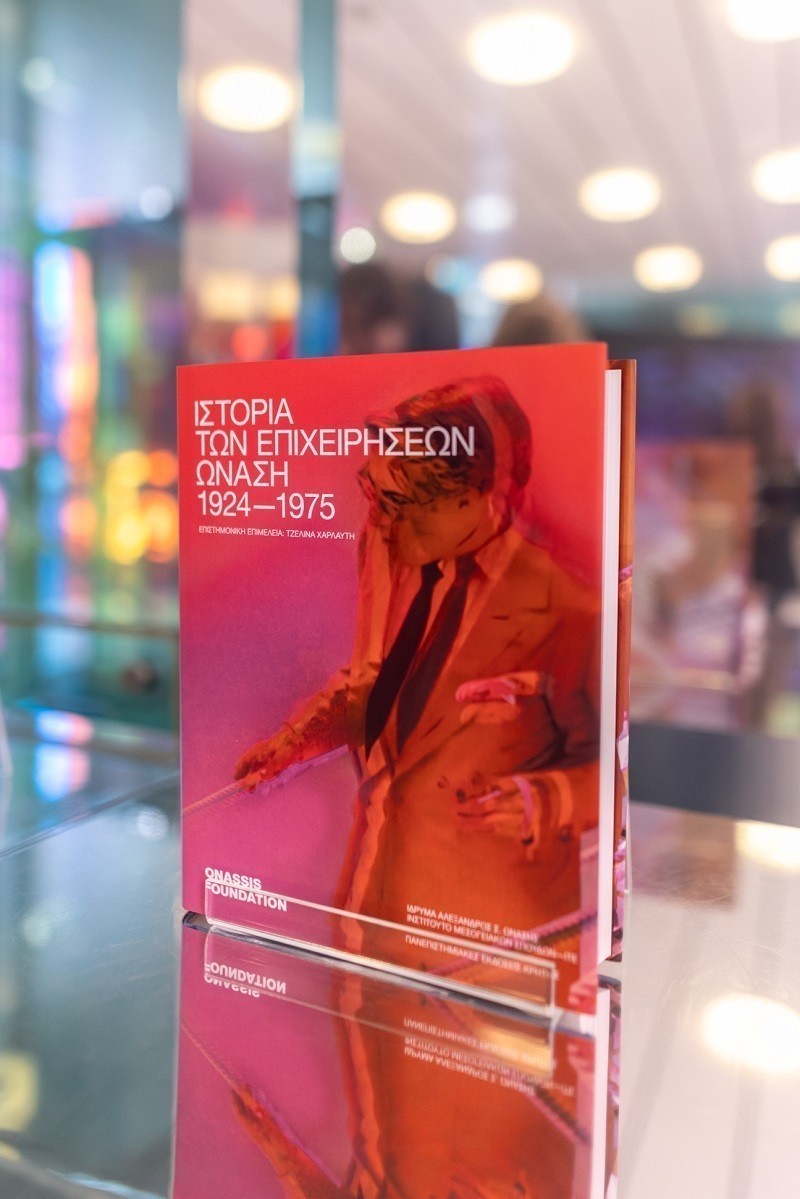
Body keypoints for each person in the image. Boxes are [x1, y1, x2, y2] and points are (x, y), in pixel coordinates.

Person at [234, 376, 601, 975]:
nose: (380, 521)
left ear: (478, 494)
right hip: (370, 910)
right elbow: (381, 681)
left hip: (489, 954)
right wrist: (296, 740)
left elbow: (608, 774)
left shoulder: (570, 610)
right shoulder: (389, 547)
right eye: (376, 496)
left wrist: (544, 798)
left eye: (401, 503)